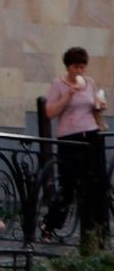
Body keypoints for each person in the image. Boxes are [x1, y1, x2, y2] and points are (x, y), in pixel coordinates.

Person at [42, 46, 109, 246]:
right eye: (75, 67)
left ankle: (96, 229)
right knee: (68, 185)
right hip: (69, 138)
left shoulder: (90, 83)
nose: (79, 71)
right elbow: (50, 112)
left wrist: (100, 105)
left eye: (82, 67)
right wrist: (68, 95)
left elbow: (94, 104)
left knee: (96, 183)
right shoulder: (58, 84)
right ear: (68, 67)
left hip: (90, 135)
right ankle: (50, 224)